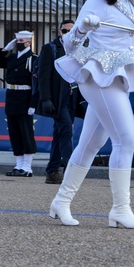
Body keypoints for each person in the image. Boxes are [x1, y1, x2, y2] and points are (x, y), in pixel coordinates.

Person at [49, 0, 134, 228]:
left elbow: (130, 46)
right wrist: (82, 29)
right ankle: (120, 210)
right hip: (98, 75)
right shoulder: (96, 2)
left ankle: (61, 202)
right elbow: (70, 46)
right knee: (126, 139)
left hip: (116, 76)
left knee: (91, 144)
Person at [0, 30, 38, 177]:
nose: (18, 44)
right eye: (17, 42)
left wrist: (33, 103)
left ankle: (27, 166)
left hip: (25, 98)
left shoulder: (33, 59)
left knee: (26, 132)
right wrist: (5, 49)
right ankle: (18, 165)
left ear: (28, 42)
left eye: (20, 42)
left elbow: (37, 84)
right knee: (14, 133)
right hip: (11, 97)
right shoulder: (11, 58)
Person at [39, 20, 76, 184]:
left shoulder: (78, 49)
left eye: (71, 30)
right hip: (57, 99)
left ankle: (52, 171)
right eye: (64, 30)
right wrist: (45, 98)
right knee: (67, 130)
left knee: (59, 133)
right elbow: (43, 75)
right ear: (59, 31)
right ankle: (70, 170)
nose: (67, 33)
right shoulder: (50, 48)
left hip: (72, 99)